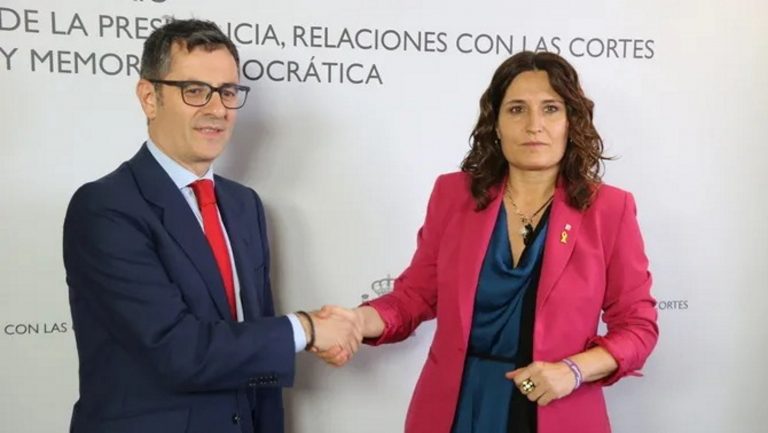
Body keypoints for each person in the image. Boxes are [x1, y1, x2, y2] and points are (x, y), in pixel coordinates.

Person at [319, 51, 659, 433]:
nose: (534, 125)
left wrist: (573, 371)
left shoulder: (608, 209)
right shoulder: (454, 195)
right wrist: (356, 321)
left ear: (571, 122)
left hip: (555, 407)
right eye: (516, 109)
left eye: (550, 109)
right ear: (495, 123)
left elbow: (638, 326)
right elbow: (414, 296)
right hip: (457, 408)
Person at [63, 19, 360, 433]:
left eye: (227, 92)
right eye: (195, 90)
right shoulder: (105, 208)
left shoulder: (244, 205)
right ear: (149, 97)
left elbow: (252, 346)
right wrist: (307, 328)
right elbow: (178, 351)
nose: (217, 109)